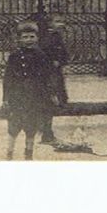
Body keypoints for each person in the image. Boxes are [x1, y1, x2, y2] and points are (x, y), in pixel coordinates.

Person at [2, 20, 57, 160]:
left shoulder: (41, 56)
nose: (28, 40)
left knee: (31, 127)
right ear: (19, 39)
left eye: (32, 36)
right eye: (25, 37)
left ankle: (29, 153)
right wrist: (6, 98)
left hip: (35, 97)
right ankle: (9, 152)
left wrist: (52, 94)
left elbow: (47, 76)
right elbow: (8, 79)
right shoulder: (14, 56)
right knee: (14, 126)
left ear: (37, 38)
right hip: (17, 97)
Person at [39, 15, 69, 144]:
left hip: (55, 74)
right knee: (49, 102)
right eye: (57, 21)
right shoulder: (48, 38)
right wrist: (54, 62)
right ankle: (47, 133)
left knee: (51, 103)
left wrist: (60, 61)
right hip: (49, 75)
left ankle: (46, 131)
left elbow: (65, 55)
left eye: (62, 21)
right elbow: (42, 55)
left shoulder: (57, 37)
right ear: (50, 24)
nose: (61, 24)